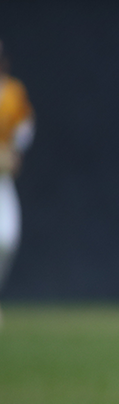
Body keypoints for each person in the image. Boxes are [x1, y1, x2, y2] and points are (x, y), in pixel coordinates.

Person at [0, 42, 36, 327]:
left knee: (7, 239)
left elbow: (24, 130)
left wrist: (13, 153)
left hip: (2, 181)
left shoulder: (13, 93)